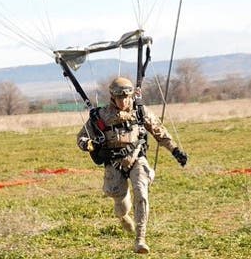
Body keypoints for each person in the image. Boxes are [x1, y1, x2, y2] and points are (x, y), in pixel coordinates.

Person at [76, 77, 188, 254]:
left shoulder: (141, 112)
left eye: (127, 97)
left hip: (137, 159)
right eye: (120, 98)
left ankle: (140, 239)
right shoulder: (101, 115)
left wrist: (175, 150)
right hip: (114, 163)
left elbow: (159, 131)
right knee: (120, 203)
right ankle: (123, 217)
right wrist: (88, 144)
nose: (124, 101)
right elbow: (81, 137)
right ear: (113, 97)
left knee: (141, 193)